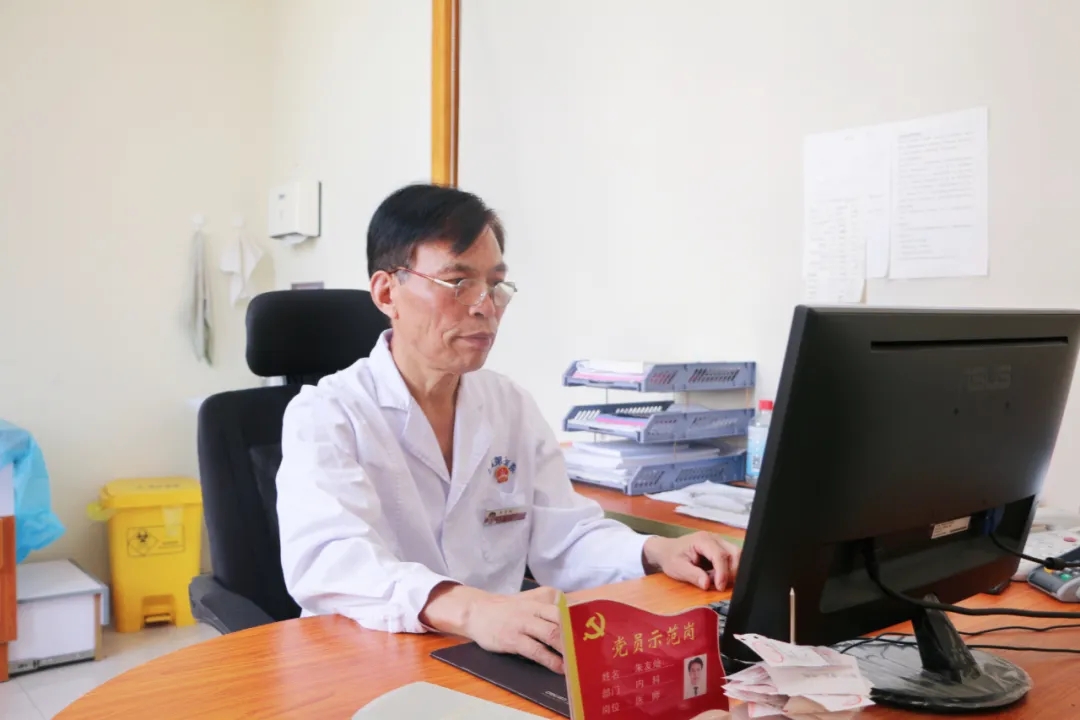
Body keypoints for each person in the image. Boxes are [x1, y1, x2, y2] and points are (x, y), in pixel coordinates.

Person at [275, 183, 741, 675]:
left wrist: (656, 551)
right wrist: (474, 610)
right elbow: (331, 560)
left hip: (490, 659)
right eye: (458, 282)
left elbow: (564, 536)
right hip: (367, 663)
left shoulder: (509, 404)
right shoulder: (328, 413)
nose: (486, 306)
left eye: (495, 285)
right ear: (387, 292)